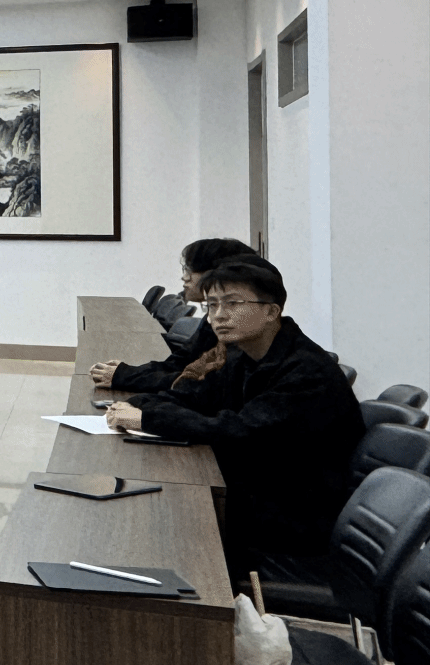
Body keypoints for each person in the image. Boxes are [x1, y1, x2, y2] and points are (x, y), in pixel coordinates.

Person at [104, 257, 363, 578]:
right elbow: (194, 395)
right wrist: (137, 405)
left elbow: (237, 430)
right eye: (212, 305)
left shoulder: (307, 371)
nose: (219, 315)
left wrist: (146, 419)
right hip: (254, 490)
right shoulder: (244, 351)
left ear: (271, 311)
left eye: (233, 303)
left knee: (159, 521)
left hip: (292, 518)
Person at [89, 236, 255, 392]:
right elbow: (179, 364)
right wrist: (129, 372)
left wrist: (126, 377)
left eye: (190, 270)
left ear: (217, 273)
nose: (184, 277)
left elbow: (199, 384)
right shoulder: (212, 319)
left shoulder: (239, 328)